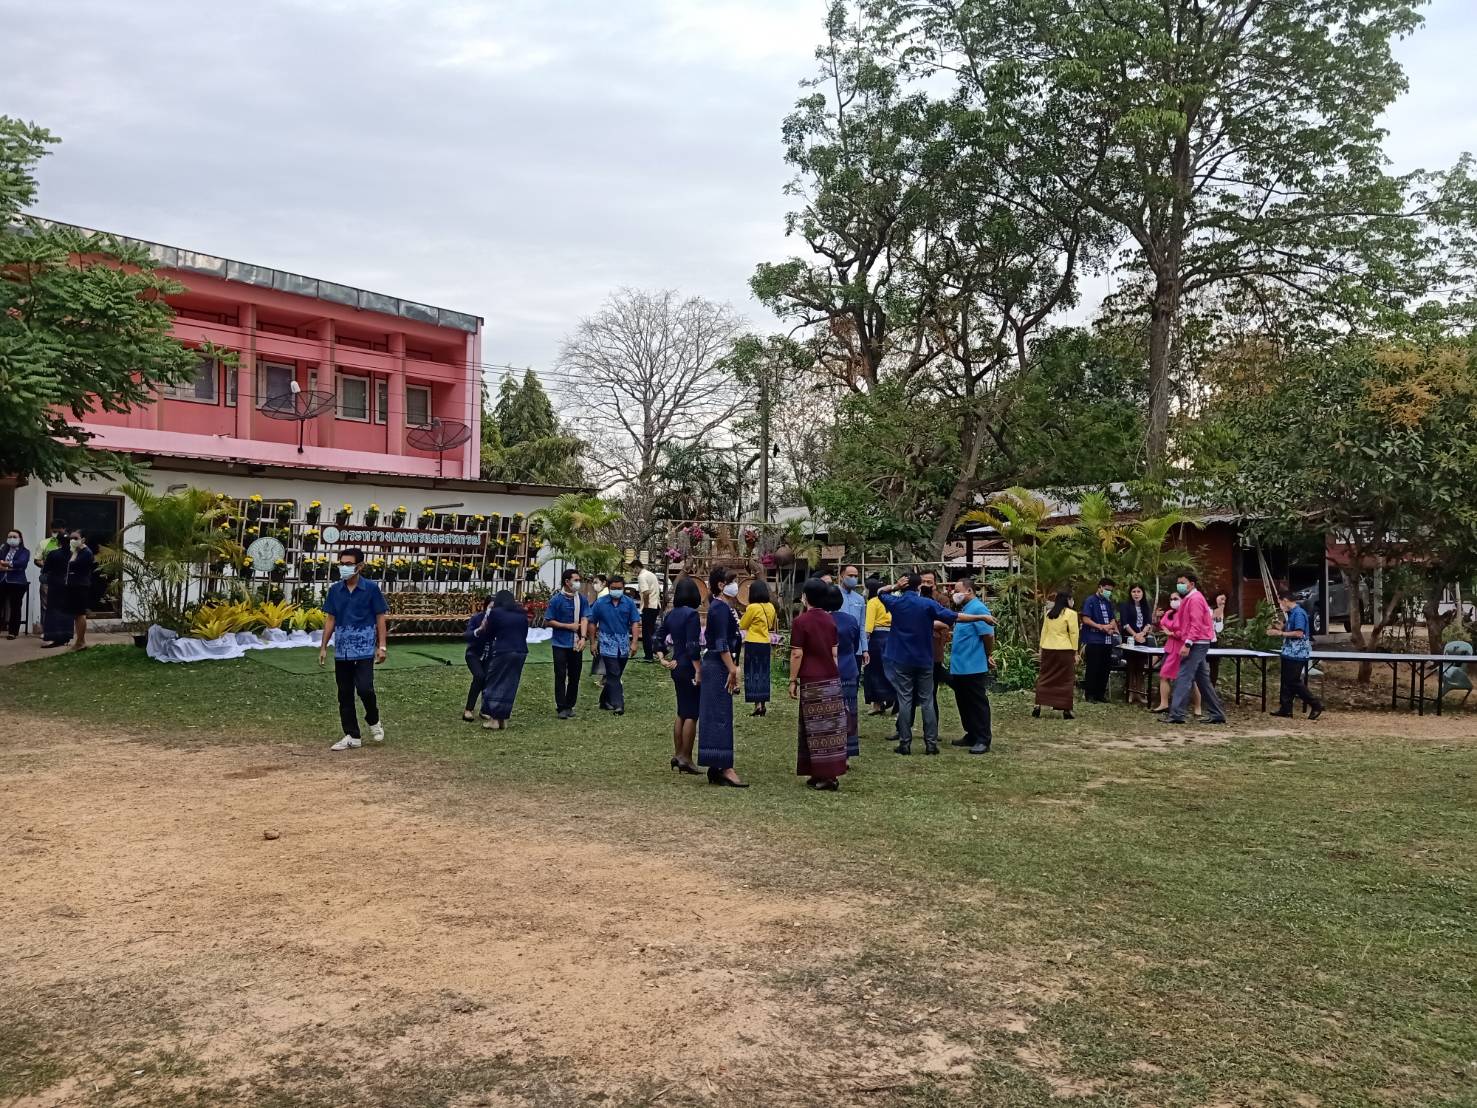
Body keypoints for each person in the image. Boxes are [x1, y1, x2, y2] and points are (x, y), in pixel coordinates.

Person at [877, 573, 988, 755]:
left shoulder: (896, 602)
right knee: (927, 700)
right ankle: (931, 744)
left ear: (904, 586)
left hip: (901, 658)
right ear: (919, 587)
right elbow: (955, 616)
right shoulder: (927, 604)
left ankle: (904, 743)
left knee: (905, 700)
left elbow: (880, 592)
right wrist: (981, 617)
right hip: (924, 659)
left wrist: (895, 587)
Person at [319, 547, 389, 751]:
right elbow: (330, 619)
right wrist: (323, 647)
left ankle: (373, 719)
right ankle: (352, 735)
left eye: (349, 564)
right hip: (342, 651)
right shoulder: (335, 590)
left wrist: (382, 646)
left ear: (360, 566)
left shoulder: (371, 589)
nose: (344, 568)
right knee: (345, 693)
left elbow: (380, 617)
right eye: (342, 564)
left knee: (365, 688)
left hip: (364, 649)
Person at [790, 577, 848, 790]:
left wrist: (792, 680)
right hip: (830, 679)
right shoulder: (830, 620)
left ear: (805, 597)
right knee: (830, 729)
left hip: (812, 680)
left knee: (814, 729)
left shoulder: (801, 622)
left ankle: (825, 776)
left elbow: (797, 653)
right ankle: (822, 773)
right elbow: (834, 653)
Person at [698, 568, 746, 787]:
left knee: (720, 714)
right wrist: (732, 669)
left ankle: (717, 765)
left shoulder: (724, 608)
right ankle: (724, 766)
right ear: (720, 585)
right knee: (719, 716)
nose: (736, 586)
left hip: (720, 664)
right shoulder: (719, 609)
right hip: (718, 665)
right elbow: (721, 643)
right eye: (733, 581)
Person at [656, 575, 703, 774]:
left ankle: (678, 754)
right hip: (689, 666)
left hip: (676, 665)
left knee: (681, 711)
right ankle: (686, 757)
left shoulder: (671, 614)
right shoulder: (692, 615)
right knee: (692, 713)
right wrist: (699, 669)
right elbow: (693, 645)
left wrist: (662, 658)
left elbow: (658, 637)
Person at [1166, 572, 1227, 725]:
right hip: (1198, 641)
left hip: (1197, 642)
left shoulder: (1195, 599)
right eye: (1178, 582)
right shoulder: (1190, 598)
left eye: (1182, 582)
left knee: (1184, 676)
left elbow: (1196, 624)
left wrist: (1188, 643)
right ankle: (1217, 713)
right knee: (1203, 680)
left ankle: (1177, 714)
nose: (1179, 585)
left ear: (1191, 584)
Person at [947, 576, 995, 754]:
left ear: (969, 591)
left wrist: (988, 654)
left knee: (977, 703)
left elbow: (988, 635)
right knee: (964, 703)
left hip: (973, 666)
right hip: (960, 666)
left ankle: (983, 738)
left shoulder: (978, 608)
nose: (954, 594)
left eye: (957, 591)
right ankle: (971, 734)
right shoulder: (966, 610)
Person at [475, 590, 530, 730]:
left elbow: (489, 634)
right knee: (510, 684)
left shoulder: (496, 613)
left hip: (503, 650)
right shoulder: (521, 614)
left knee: (495, 682)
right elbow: (524, 633)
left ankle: (493, 719)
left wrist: (483, 629)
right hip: (520, 651)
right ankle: (503, 719)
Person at [587, 573, 641, 715]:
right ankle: (618, 704)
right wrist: (592, 642)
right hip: (606, 642)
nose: (616, 590)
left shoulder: (629, 603)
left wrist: (634, 642)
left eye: (619, 588)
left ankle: (604, 700)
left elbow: (635, 623)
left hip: (623, 643)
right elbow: (592, 623)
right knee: (614, 672)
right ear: (608, 587)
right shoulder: (600, 603)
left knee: (614, 675)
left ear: (623, 588)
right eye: (613, 588)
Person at [1269, 589, 1324, 720]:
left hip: (1297, 653)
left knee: (1293, 681)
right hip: (1289, 652)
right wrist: (1281, 627)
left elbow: (1299, 633)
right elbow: (1291, 629)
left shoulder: (1299, 613)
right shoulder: (1292, 613)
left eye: (1280, 602)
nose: (1280, 605)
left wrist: (1280, 633)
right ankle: (1286, 708)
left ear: (1285, 601)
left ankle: (1315, 704)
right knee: (1286, 681)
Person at [824, 584, 863, 759]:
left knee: (829, 712)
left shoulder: (823, 621)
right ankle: (848, 749)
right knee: (849, 711)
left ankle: (831, 750)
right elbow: (855, 644)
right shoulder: (851, 620)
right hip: (849, 668)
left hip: (828, 670)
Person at [545, 567, 588, 719]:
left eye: (579, 580)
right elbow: (548, 621)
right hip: (560, 643)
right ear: (567, 582)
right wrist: (567, 626)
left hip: (576, 643)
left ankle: (570, 705)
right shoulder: (556, 600)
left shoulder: (581, 599)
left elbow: (584, 618)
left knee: (575, 675)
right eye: (576, 580)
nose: (578, 583)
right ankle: (561, 706)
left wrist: (583, 637)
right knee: (560, 675)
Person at [1033, 591, 1078, 720]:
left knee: (1045, 676)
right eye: (1071, 599)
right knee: (1066, 679)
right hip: (1064, 649)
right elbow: (1074, 633)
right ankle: (1066, 709)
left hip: (1048, 648)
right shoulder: (1071, 614)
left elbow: (1044, 632)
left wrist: (1041, 649)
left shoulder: (1049, 613)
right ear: (1067, 600)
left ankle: (1038, 705)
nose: (1072, 602)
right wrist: (1075, 652)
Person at [1154, 593, 1199, 716]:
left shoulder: (1187, 614)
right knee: (1164, 675)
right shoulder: (1169, 613)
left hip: (1183, 648)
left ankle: (1198, 706)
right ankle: (1164, 704)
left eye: (1176, 599)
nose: (1173, 601)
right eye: (1171, 599)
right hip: (1170, 648)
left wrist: (1172, 633)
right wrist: (1159, 621)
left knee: (1189, 679)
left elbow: (1186, 632)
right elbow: (1162, 624)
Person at [739, 579, 778, 716]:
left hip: (753, 643)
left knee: (752, 673)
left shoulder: (752, 607)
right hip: (765, 643)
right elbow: (771, 624)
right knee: (763, 673)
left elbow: (743, 625)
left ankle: (757, 706)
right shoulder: (771, 607)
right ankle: (763, 704)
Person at [1081, 577, 1118, 703]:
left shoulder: (1108, 602)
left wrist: (1111, 627)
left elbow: (1112, 618)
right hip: (1094, 639)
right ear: (1100, 587)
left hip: (1107, 640)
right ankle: (1090, 694)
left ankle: (1100, 694)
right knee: (1093, 667)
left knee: (1105, 668)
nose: (1109, 592)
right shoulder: (1090, 600)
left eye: (1110, 590)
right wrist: (1101, 627)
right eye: (1107, 589)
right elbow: (1085, 619)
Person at [920, 570, 952, 719]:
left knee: (931, 692)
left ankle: (933, 727)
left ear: (935, 584)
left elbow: (946, 622)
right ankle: (903, 727)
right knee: (910, 693)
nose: (926, 585)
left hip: (934, 649)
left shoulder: (942, 600)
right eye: (923, 581)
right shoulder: (914, 598)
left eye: (929, 582)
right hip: (914, 650)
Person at [863, 576, 895, 715]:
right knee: (889, 670)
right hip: (891, 637)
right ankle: (892, 698)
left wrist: (864, 643)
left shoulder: (873, 602)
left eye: (865, 588)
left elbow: (869, 626)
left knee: (874, 671)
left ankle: (877, 704)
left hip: (877, 639)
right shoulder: (890, 600)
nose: (864, 591)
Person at [1119, 584, 1155, 706]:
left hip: (1143, 640)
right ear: (1130, 593)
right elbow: (1125, 623)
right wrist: (1135, 635)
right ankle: (1130, 693)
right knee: (1131, 666)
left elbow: (1149, 622)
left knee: (1140, 667)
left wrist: (1143, 633)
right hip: (1129, 639)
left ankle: (1139, 694)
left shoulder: (1146, 606)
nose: (1136, 594)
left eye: (1139, 591)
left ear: (1143, 593)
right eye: (1134, 591)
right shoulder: (1125, 606)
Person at [61, 529, 95, 652]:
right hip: (73, 585)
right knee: (76, 614)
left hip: (80, 586)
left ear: (83, 540)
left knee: (80, 614)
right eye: (71, 538)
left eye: (75, 538)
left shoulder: (86, 553)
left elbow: (72, 564)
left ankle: (80, 642)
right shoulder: (76, 551)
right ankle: (80, 641)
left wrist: (74, 552)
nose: (72, 540)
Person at [462, 595, 492, 722]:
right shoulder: (477, 618)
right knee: (479, 676)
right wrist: (479, 630)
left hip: (489, 656)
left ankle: (484, 710)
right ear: (486, 607)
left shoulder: (499, 622)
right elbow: (467, 635)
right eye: (491, 607)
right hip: (473, 654)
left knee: (488, 680)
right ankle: (468, 710)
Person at [839, 563, 869, 675]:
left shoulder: (860, 599)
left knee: (854, 679)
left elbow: (862, 625)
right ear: (841, 576)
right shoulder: (834, 595)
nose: (853, 579)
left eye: (856, 576)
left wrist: (864, 649)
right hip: (838, 648)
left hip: (856, 649)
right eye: (850, 575)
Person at [0, 528, 30, 640]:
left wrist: (4, 564)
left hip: (17, 582)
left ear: (20, 539)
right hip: (2, 580)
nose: (11, 539)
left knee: (15, 607)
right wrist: (10, 567)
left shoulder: (25, 551)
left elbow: (21, 563)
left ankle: (13, 632)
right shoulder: (3, 549)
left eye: (14, 537)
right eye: (9, 537)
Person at [635, 560, 662, 661]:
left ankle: (648, 656)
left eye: (633, 569)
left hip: (649, 607)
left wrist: (645, 606)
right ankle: (656, 652)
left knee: (646, 633)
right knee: (651, 631)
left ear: (637, 567)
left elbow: (646, 592)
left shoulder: (642, 576)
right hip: (655, 605)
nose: (633, 572)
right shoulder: (651, 574)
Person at [589, 573, 610, 687]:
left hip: (606, 630)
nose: (594, 585)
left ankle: (606, 679)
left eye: (596, 582)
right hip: (604, 629)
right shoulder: (602, 595)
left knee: (605, 655)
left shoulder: (604, 596)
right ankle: (606, 678)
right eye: (593, 583)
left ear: (604, 583)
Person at [1208, 589, 1229, 688]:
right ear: (1216, 597)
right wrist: (1214, 615)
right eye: (1221, 598)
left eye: (1224, 600)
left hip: (1213, 641)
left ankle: (1212, 688)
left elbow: (1219, 629)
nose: (1223, 602)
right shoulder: (1207, 608)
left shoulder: (1219, 611)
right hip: (1203, 641)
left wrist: (1220, 616)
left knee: (1214, 666)